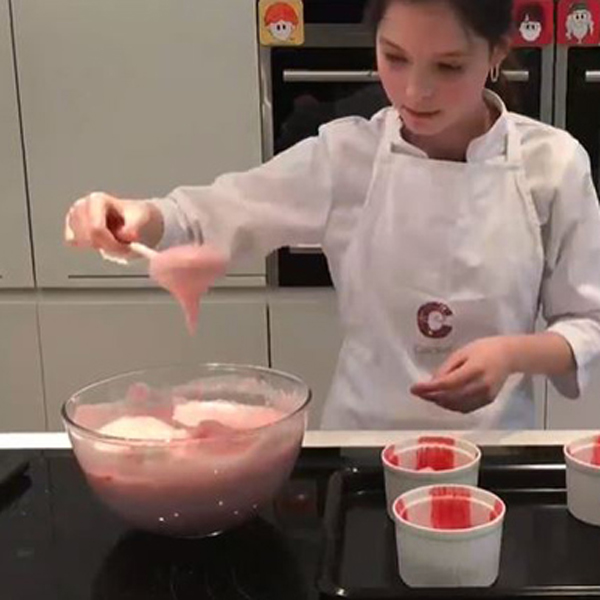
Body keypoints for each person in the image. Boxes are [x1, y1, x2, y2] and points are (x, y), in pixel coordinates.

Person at [64, 0, 600, 431]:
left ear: (497, 52)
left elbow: (589, 323)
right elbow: (212, 212)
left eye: (449, 66)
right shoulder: (346, 157)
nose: (415, 90)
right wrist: (138, 216)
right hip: (362, 443)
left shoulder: (552, 165)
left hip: (496, 452)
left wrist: (513, 354)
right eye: (394, 57)